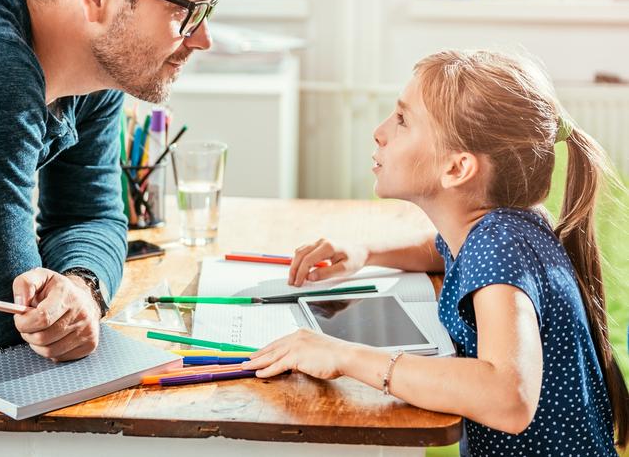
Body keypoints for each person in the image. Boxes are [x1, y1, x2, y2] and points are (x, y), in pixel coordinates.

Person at [243, 49, 629, 455]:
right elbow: (440, 250)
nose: (380, 131)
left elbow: (509, 397)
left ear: (457, 169)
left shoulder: (501, 245)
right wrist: (365, 251)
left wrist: (346, 356)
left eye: (403, 120)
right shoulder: (499, 227)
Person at [0, 0, 244, 360]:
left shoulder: (92, 67)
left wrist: (81, 288)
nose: (202, 38)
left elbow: (92, 214)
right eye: (185, 10)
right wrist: (49, 309)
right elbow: (1, 314)